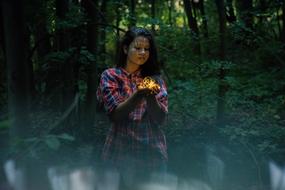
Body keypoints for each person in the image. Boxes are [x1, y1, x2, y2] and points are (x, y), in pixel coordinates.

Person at [96, 27, 168, 187]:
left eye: (147, 49)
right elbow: (115, 115)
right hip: (118, 154)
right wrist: (139, 94)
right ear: (125, 48)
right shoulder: (110, 76)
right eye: (137, 48)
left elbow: (161, 119)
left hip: (152, 154)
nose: (143, 52)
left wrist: (150, 96)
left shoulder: (155, 79)